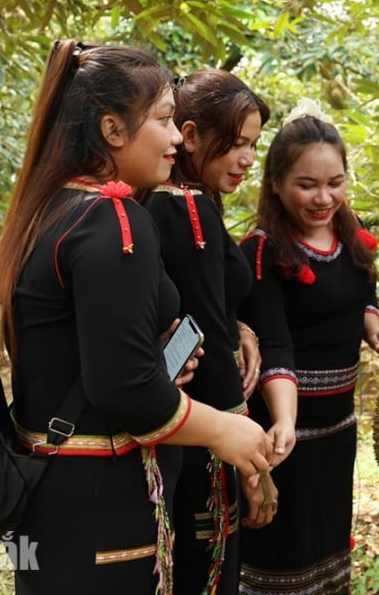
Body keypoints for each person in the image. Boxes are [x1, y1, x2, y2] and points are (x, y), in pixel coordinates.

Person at [0, 40, 272, 594]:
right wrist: (227, 429)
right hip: (103, 503)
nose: (178, 137)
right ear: (112, 130)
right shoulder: (114, 221)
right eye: (163, 120)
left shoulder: (53, 206)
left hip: (59, 492)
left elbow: (88, 353)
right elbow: (125, 388)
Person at [235, 101, 379, 595]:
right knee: (279, 548)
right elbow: (274, 341)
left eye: (335, 183)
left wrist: (372, 326)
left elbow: (361, 293)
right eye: (307, 185)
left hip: (337, 428)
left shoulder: (352, 237)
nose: (323, 197)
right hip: (282, 433)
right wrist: (281, 424)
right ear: (277, 184)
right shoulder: (261, 251)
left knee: (325, 543)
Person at [142, 69, 274, 594]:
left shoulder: (170, 202)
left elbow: (205, 308)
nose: (246, 159)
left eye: (253, 146)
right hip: (205, 428)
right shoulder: (186, 207)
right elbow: (207, 341)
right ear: (191, 135)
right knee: (206, 565)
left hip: (183, 421)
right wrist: (249, 457)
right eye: (236, 144)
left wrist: (238, 323)